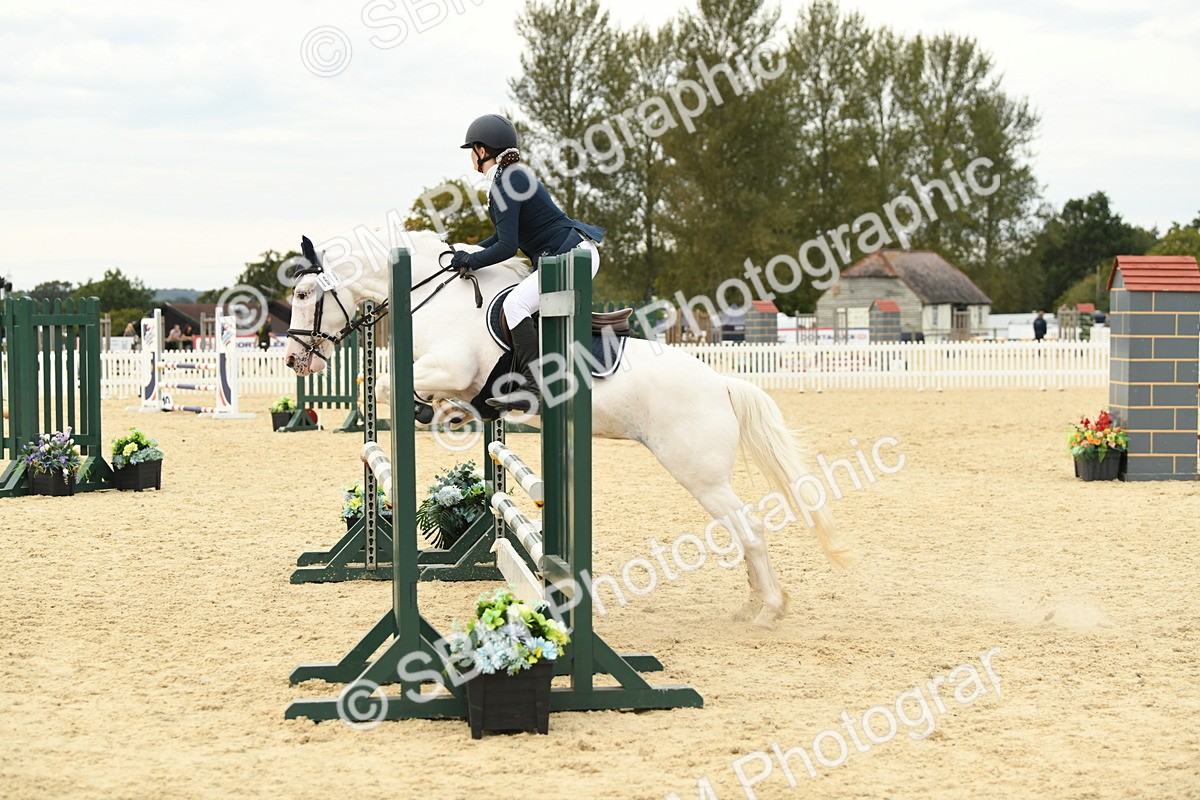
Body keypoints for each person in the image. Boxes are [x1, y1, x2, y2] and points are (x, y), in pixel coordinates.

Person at [448, 113, 605, 412]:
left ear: (483, 151)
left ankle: (534, 387)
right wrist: (465, 252)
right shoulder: (509, 178)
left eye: (472, 150)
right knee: (520, 304)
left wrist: (472, 259)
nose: (471, 157)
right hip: (565, 254)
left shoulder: (509, 180)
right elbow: (500, 238)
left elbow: (507, 247)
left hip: (569, 254)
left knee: (515, 305)